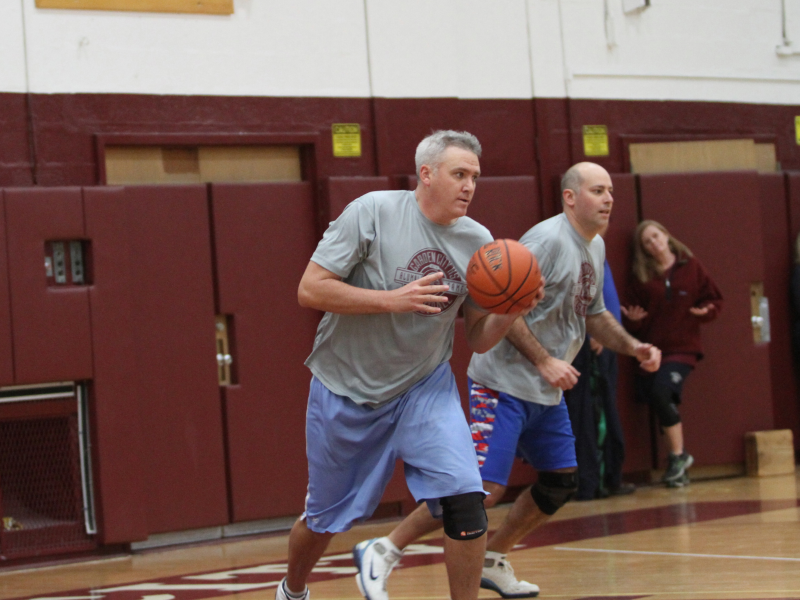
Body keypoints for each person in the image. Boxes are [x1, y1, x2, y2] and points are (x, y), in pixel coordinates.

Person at [353, 162, 661, 600]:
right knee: (480, 489)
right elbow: (505, 307)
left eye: (610, 190)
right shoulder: (547, 240)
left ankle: (493, 559)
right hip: (501, 383)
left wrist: (634, 347)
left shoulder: (594, 247)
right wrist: (544, 360)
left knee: (560, 481)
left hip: (544, 390)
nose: (609, 198)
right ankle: (384, 548)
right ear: (570, 197)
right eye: (597, 190)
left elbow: (594, 314)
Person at [279, 130, 542, 600]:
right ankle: (293, 589)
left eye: (475, 177)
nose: (469, 186)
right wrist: (391, 299)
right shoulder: (372, 212)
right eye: (459, 174)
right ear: (427, 174)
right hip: (346, 387)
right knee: (323, 518)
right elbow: (310, 289)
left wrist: (512, 307)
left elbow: (479, 340)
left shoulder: (478, 241)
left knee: (465, 499)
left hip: (424, 387)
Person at [621, 220, 723, 487]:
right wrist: (633, 320)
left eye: (656, 236)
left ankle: (677, 456)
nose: (654, 243)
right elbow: (632, 317)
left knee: (661, 392)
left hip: (683, 349)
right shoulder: (642, 276)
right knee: (658, 398)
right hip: (654, 349)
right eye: (647, 242)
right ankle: (680, 468)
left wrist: (706, 311)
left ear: (666, 235)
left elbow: (714, 299)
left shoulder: (691, 267)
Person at [565, 250, 635, 500]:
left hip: (606, 346)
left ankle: (609, 476)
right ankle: (590, 482)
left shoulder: (596, 247)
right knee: (590, 412)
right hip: (589, 345)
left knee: (603, 409)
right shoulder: (571, 246)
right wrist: (596, 334)